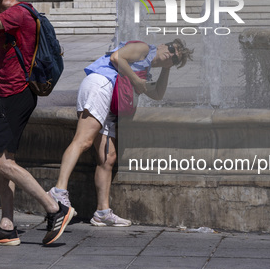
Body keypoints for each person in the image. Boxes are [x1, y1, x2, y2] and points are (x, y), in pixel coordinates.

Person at [0, 0, 74, 246]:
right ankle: (7, 226)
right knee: (4, 162)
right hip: (13, 94)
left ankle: (55, 208)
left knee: (1, 163)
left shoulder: (17, 13)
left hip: (14, 94)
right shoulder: (18, 13)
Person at [48, 39, 193, 227]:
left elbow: (157, 93)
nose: (171, 54)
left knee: (108, 158)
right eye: (172, 49)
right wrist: (135, 80)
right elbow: (117, 57)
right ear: (163, 45)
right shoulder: (143, 48)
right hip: (101, 85)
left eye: (175, 59)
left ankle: (102, 212)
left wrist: (166, 67)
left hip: (111, 99)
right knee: (83, 141)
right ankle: (58, 191)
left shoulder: (146, 68)